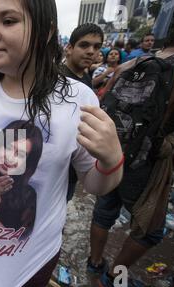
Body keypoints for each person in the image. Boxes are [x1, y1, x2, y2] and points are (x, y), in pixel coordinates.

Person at [0, 0, 123, 287]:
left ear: (46, 32)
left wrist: (112, 159)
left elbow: (95, 184)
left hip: (34, 254)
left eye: (8, 21)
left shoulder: (77, 99)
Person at [88, 19, 174, 287]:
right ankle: (114, 276)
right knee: (150, 232)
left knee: (104, 211)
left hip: (115, 154)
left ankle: (95, 262)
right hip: (147, 161)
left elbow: (104, 106)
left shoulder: (130, 64)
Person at [61, 23, 103, 203]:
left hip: (75, 165)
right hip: (58, 165)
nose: (91, 51)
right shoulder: (57, 79)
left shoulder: (84, 76)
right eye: (84, 45)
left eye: (96, 47)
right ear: (69, 48)